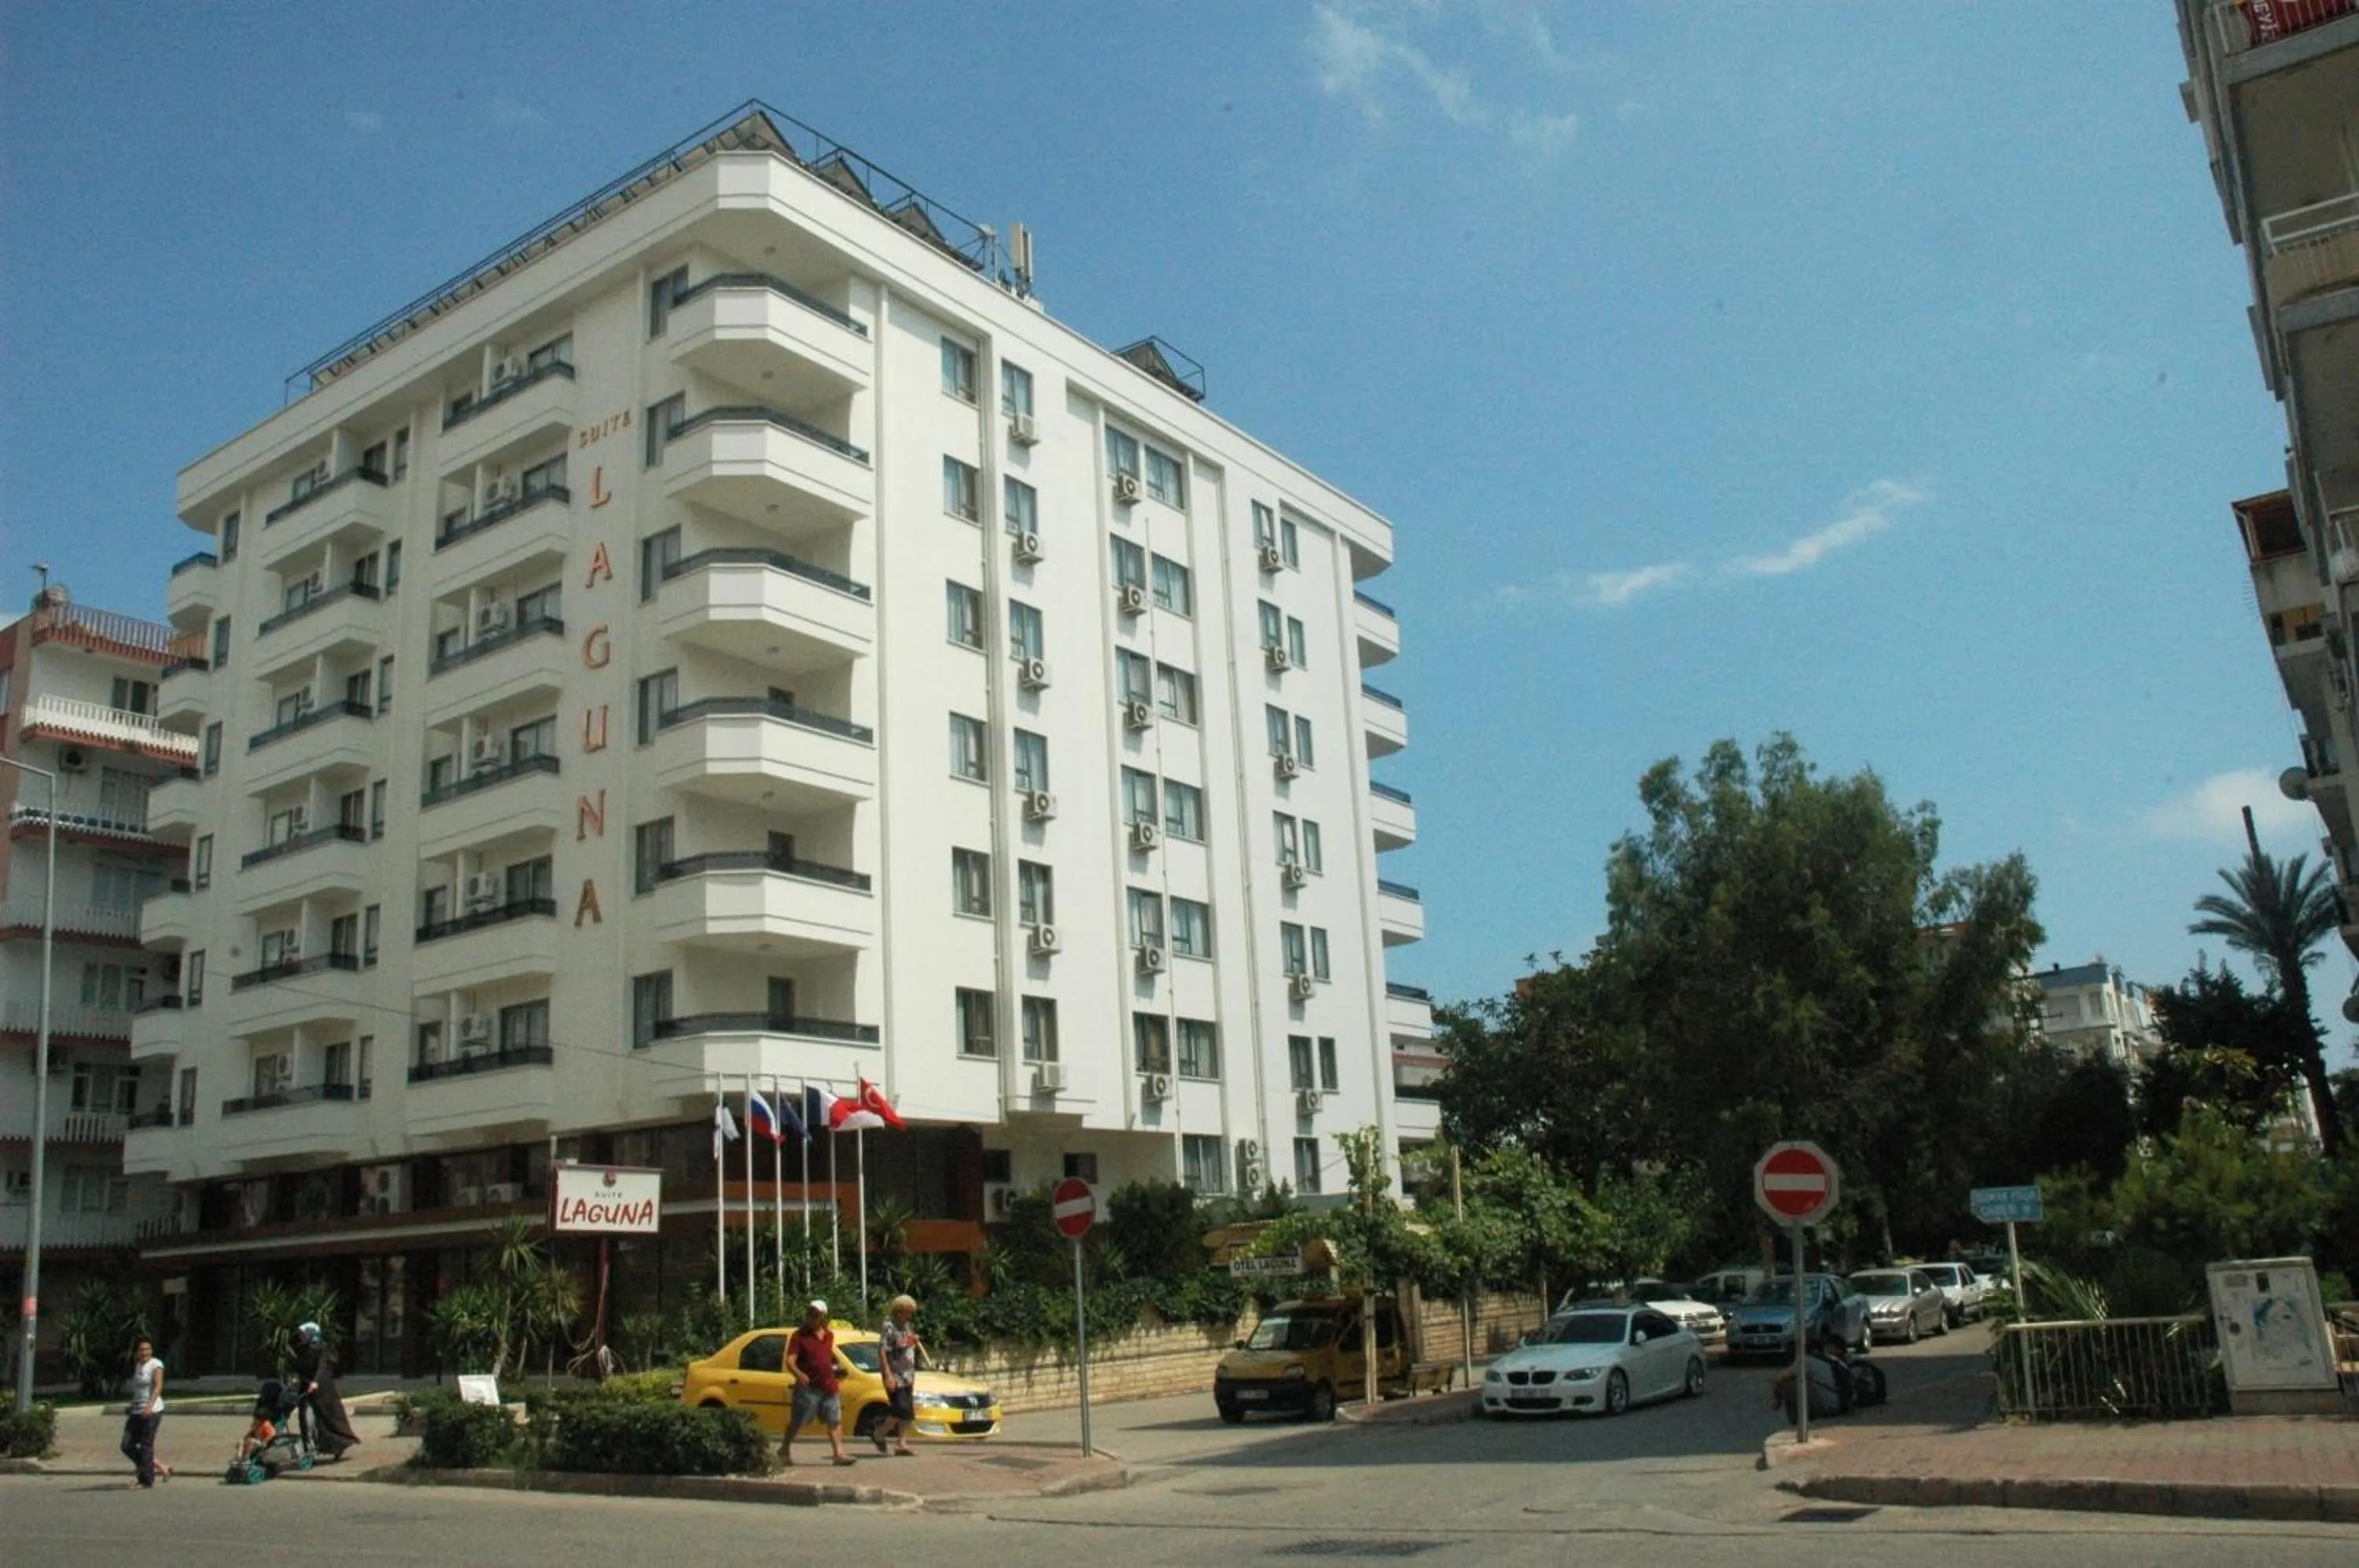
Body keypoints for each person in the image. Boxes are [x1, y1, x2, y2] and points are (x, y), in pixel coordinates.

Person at [782, 1300, 855, 1467]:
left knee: (834, 1419)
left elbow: (826, 1358)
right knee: (798, 1421)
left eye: (816, 1315)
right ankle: (784, 1449)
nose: (812, 1318)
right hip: (809, 1388)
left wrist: (836, 1369)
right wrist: (799, 1375)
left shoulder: (829, 1335)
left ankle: (839, 1453)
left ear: (823, 1317)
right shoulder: (799, 1336)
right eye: (810, 1314)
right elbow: (790, 1360)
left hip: (829, 1385)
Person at [291, 1322, 360, 1460]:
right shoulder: (301, 1349)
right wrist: (296, 1378)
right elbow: (299, 1366)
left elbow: (322, 1367)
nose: (301, 1337)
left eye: (304, 1334)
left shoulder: (323, 1349)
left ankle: (338, 1445)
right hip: (305, 1388)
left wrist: (316, 1382)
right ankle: (308, 1448)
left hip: (323, 1390)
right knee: (305, 1419)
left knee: (327, 1418)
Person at [874, 1294, 926, 1457]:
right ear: (898, 1311)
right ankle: (879, 1434)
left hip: (908, 1374)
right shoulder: (889, 1327)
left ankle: (901, 1443)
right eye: (906, 1312)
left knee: (908, 1411)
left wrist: (914, 1339)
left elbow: (907, 1342)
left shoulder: (907, 1326)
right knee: (900, 1408)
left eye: (910, 1312)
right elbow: (883, 1351)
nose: (908, 1315)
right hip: (895, 1374)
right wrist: (888, 1375)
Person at [121, 1337, 169, 1488]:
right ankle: (158, 1466)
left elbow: (158, 1387)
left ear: (151, 1351)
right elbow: (138, 1390)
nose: (144, 1352)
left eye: (147, 1349)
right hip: (136, 1411)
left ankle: (146, 1479)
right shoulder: (138, 1366)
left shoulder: (156, 1364)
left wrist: (150, 1406)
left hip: (152, 1411)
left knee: (146, 1445)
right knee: (127, 1445)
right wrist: (131, 1406)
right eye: (141, 1350)